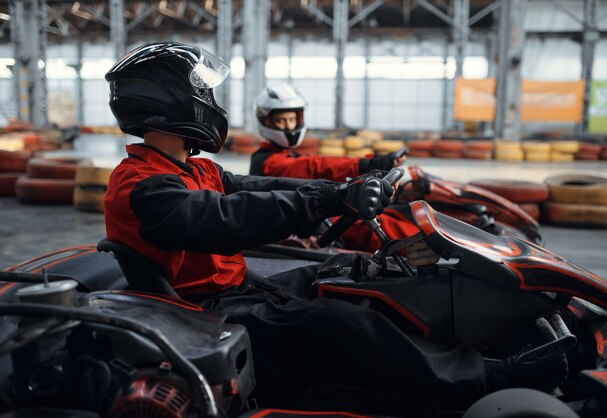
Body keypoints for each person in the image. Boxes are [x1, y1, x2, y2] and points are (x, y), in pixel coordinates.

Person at [103, 41, 562, 414]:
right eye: (204, 92)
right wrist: (323, 199)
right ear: (174, 102)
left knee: (351, 275)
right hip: (201, 313)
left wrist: (342, 188)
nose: (212, 102)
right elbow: (230, 216)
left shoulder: (192, 168)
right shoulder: (141, 185)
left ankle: (474, 337)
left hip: (238, 289)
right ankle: (488, 376)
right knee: (344, 323)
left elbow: (258, 185)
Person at [250, 83, 419, 252]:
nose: (288, 126)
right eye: (281, 120)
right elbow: (317, 167)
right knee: (387, 226)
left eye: (292, 119)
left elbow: (323, 165)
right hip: (311, 222)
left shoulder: (286, 154)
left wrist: (368, 169)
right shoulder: (268, 162)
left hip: (315, 215)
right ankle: (426, 247)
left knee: (397, 212)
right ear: (265, 122)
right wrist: (366, 165)